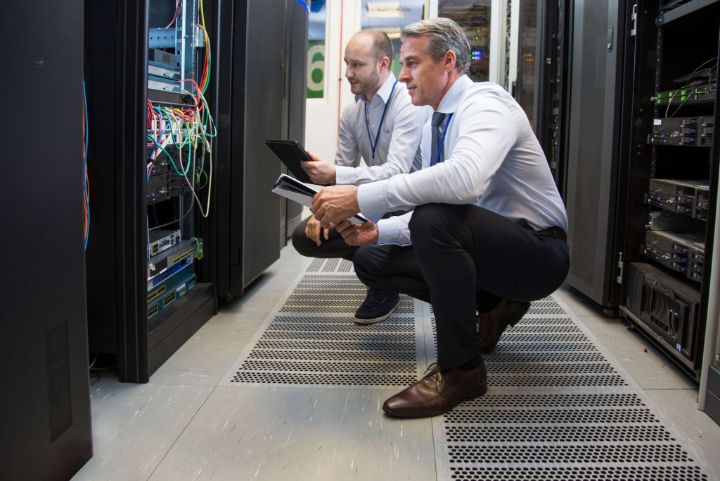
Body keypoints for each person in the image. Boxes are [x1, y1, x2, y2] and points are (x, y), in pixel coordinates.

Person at [310, 18, 569, 418]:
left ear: (448, 62)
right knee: (373, 257)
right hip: (490, 250)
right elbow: (435, 199)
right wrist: (378, 231)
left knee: (433, 220)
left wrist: (361, 195)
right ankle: (493, 304)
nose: (402, 75)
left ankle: (461, 370)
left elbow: (464, 181)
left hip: (539, 253)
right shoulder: (438, 120)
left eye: (412, 63)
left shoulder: (485, 103)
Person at [294, 29, 427, 325]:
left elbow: (397, 172)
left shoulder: (409, 104)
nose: (348, 73)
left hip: (412, 206)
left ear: (383, 64)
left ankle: (387, 279)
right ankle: (383, 270)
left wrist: (335, 174)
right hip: (372, 201)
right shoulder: (352, 113)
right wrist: (324, 210)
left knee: (369, 253)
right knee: (305, 237)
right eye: (346, 64)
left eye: (357, 65)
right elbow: (344, 174)